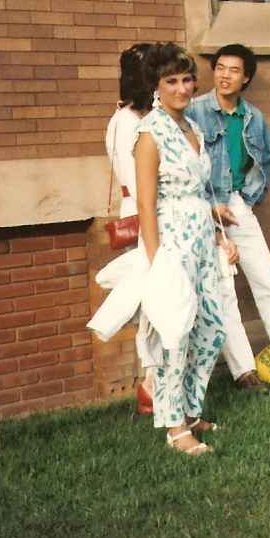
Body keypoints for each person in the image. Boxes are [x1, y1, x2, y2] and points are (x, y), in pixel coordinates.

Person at [132, 43, 238, 455]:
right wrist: (158, 262)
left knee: (211, 329)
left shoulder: (192, 126)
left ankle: (191, 408)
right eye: (171, 81)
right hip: (170, 242)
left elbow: (202, 191)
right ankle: (174, 426)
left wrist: (218, 238)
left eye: (187, 79)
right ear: (157, 87)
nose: (181, 88)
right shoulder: (150, 132)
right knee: (175, 334)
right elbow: (145, 202)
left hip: (200, 238)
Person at [185, 43, 270, 394]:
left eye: (233, 70)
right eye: (220, 67)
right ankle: (244, 372)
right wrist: (208, 210)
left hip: (237, 204)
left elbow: (263, 160)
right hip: (206, 206)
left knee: (267, 282)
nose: (224, 75)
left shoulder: (253, 117)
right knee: (224, 292)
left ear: (246, 77)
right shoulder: (195, 112)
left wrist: (248, 197)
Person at [104, 42, 155, 414]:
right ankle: (152, 386)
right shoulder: (127, 123)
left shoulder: (133, 118)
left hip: (145, 210)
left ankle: (155, 384)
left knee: (154, 305)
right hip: (143, 214)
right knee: (152, 304)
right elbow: (139, 184)